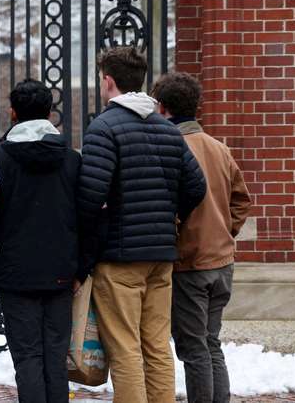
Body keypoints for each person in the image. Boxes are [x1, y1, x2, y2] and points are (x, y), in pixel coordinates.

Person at [77, 47, 207, 403]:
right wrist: (169, 216)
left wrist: (88, 247)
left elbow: (90, 196)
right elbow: (196, 187)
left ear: (108, 81)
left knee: (125, 348)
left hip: (119, 257)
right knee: (157, 345)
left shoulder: (104, 128)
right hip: (161, 255)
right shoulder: (167, 129)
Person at [0, 79, 81, 403]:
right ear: (49, 113)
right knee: (55, 357)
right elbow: (88, 215)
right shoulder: (72, 159)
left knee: (27, 357)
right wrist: (81, 267)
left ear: (12, 113)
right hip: (61, 272)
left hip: (16, 272)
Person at [151, 72, 252, 403]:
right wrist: (226, 231)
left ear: (162, 107)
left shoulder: (172, 147)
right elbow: (242, 200)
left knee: (194, 348)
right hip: (221, 261)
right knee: (210, 343)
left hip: (190, 263)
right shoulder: (219, 148)